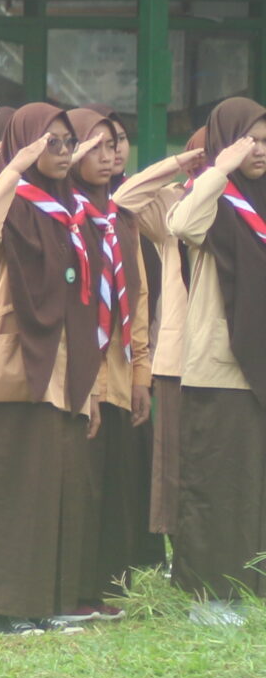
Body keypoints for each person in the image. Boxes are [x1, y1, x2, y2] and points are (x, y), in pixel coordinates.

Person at [0, 104, 104, 637]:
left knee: (54, 488)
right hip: (20, 366)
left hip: (67, 366)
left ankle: (43, 601)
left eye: (68, 144)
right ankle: (6, 609)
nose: (62, 153)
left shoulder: (73, 209)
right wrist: (14, 168)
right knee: (15, 486)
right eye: (51, 143)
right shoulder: (15, 201)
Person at [164, 98, 266, 624]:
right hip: (221, 367)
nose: (260, 151)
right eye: (250, 141)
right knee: (217, 485)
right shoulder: (215, 200)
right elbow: (180, 223)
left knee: (254, 487)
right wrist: (217, 169)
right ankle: (209, 597)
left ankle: (253, 587)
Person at [66, 108, 155, 621]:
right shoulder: (62, 213)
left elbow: (136, 298)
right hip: (79, 373)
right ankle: (73, 589)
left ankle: (100, 587)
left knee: (111, 481)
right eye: (92, 146)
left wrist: (141, 372)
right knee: (81, 481)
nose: (106, 156)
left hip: (120, 371)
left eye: (113, 145)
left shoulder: (120, 216)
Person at [116, 134, 206, 569]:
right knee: (176, 464)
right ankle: (181, 559)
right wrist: (177, 163)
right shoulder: (175, 202)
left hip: (239, 351)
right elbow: (124, 199)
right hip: (180, 353)